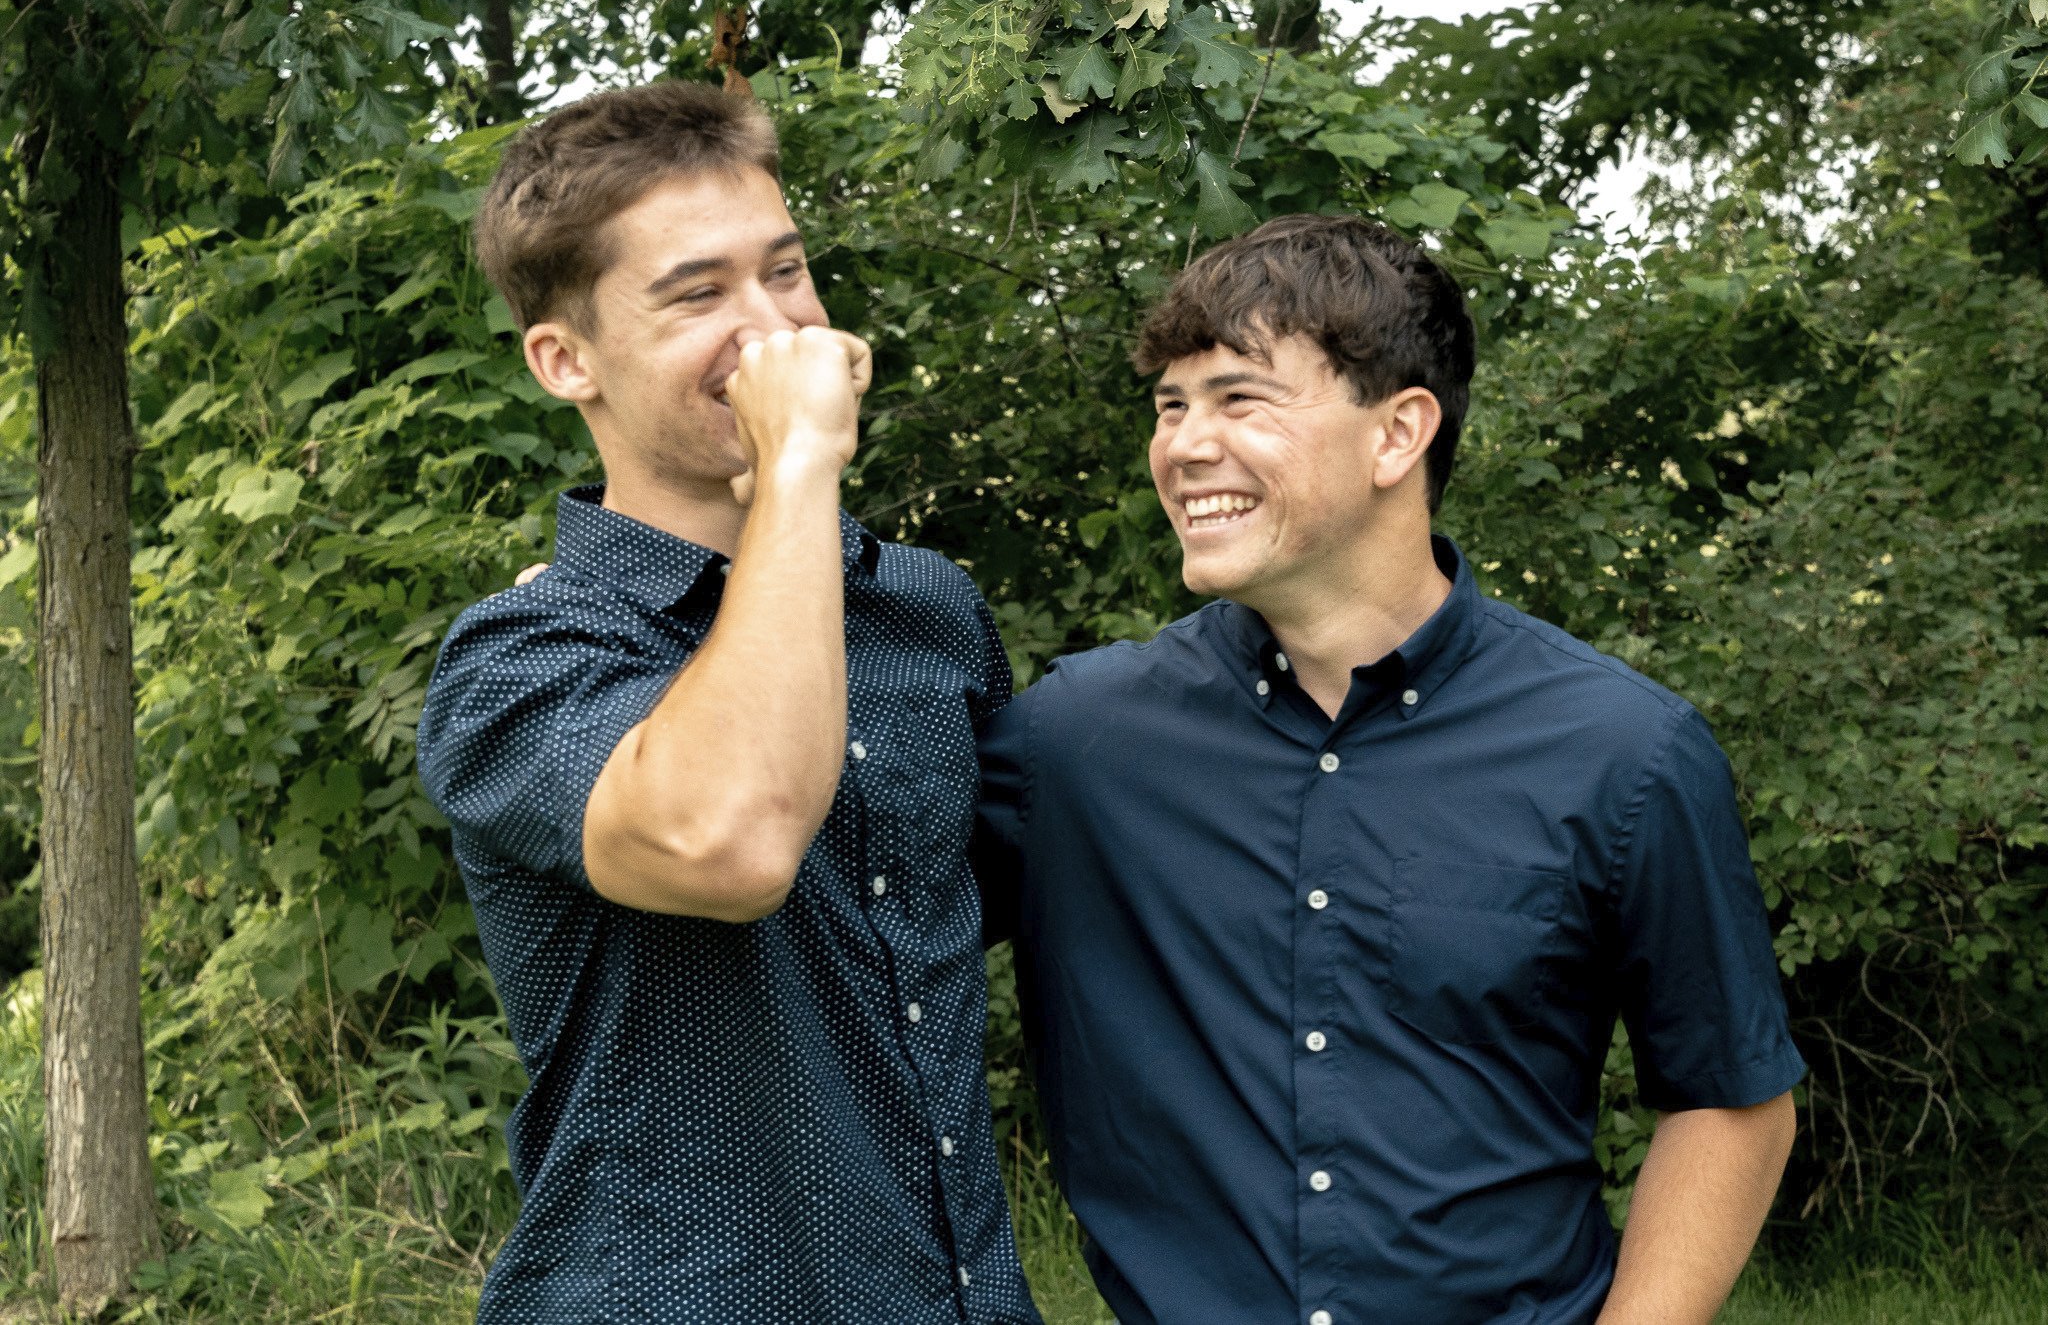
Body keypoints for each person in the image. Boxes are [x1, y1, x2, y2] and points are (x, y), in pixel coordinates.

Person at [975, 214, 1804, 1324]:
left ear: (1397, 433)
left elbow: (1731, 1099)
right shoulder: (1074, 744)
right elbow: (839, 942)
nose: (1179, 444)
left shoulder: (1623, 753)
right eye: (1170, 406)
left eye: (1238, 399)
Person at [414, 81, 1039, 1323]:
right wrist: (799, 460)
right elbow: (730, 840)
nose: (769, 329)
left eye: (787, 273)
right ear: (563, 360)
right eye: (698, 293)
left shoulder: (927, 610)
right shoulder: (518, 656)